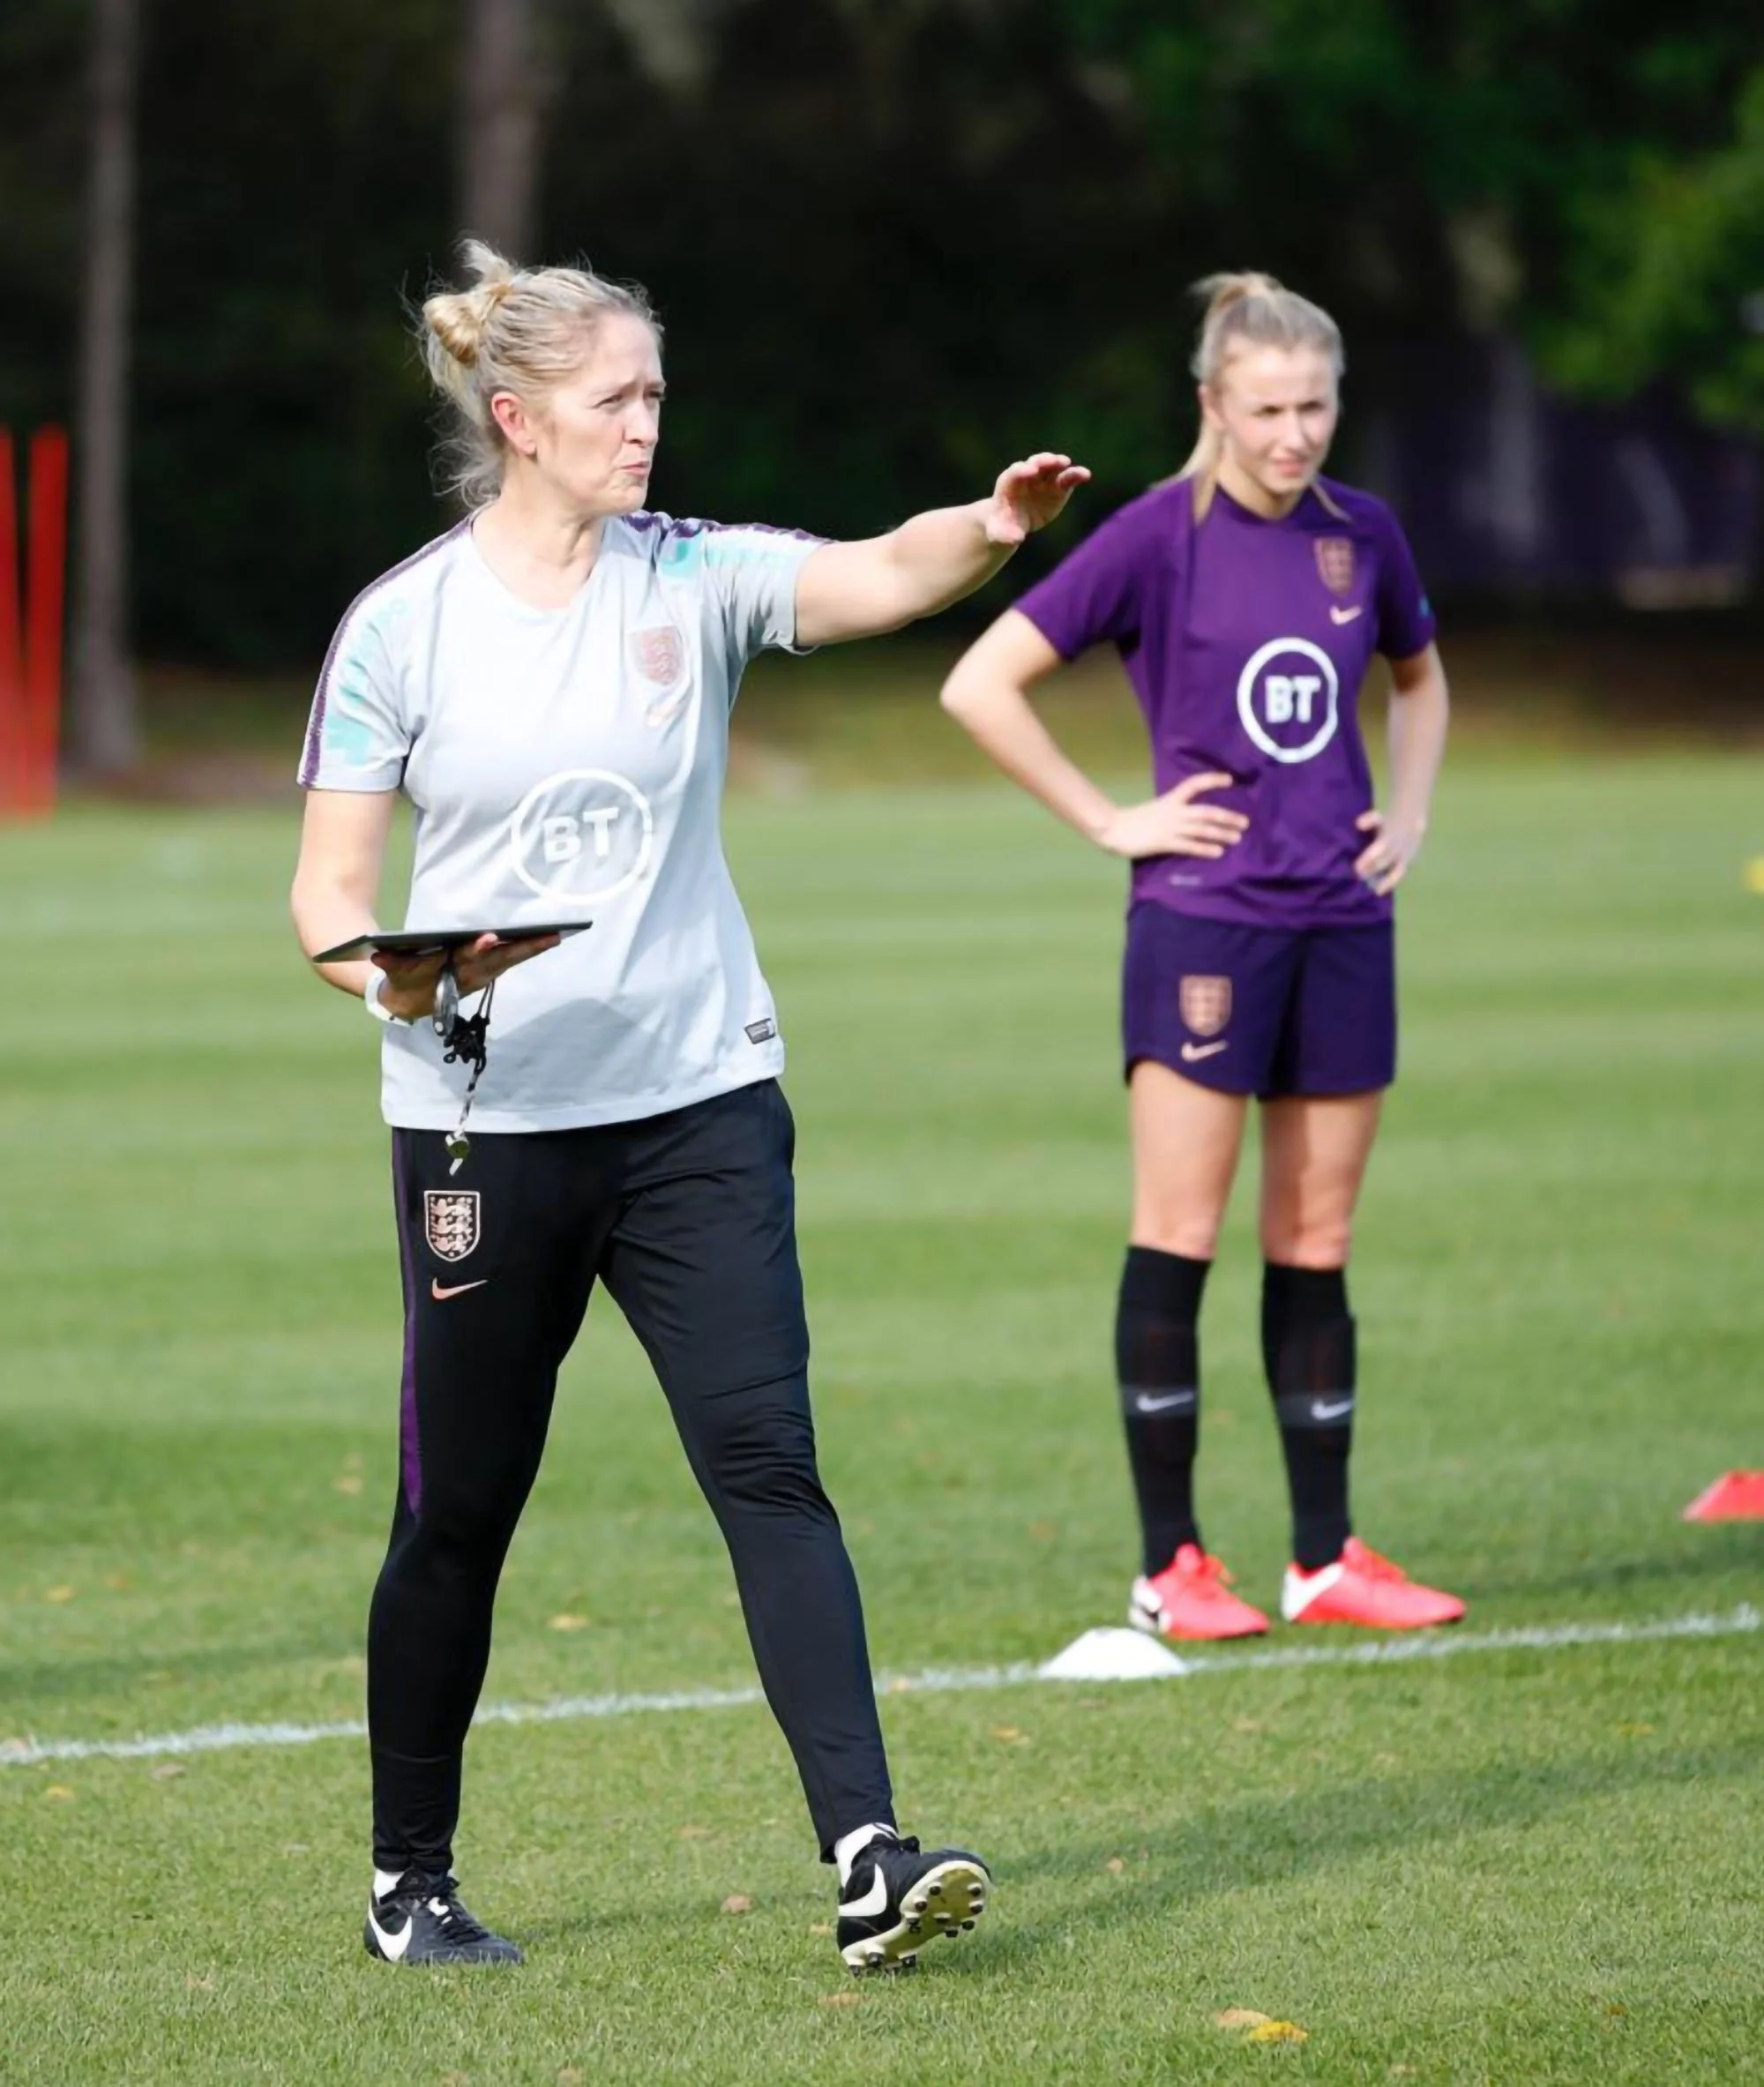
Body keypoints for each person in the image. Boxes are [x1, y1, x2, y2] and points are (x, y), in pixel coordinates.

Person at [289, 239, 1088, 1971]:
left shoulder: (691, 577)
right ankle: (405, 1878)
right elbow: (328, 903)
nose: (647, 425)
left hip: (699, 1109)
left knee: (767, 1462)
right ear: (518, 419)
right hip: (479, 1137)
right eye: (614, 399)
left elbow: (878, 576)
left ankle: (870, 1852)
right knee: (460, 1512)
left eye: (655, 393)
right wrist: (425, 982)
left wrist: (993, 525)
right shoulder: (400, 628)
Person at [939, 273, 1464, 1642]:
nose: (1296, 435)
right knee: (1180, 1231)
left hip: (1343, 921)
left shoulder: (1368, 535)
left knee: (1318, 1236)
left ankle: (1322, 1556)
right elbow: (978, 681)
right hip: (1203, 926)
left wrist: (1407, 810)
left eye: (1316, 406)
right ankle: (1171, 1564)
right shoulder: (1154, 538)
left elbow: (1419, 675)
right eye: (1269, 409)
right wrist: (1115, 818)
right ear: (1212, 407)